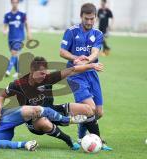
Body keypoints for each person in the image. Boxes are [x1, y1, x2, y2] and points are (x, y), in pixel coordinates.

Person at [0, 56, 104, 150]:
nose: (44, 76)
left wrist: (92, 66)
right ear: (32, 71)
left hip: (53, 110)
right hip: (35, 120)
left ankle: (98, 141)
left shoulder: (48, 78)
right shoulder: (18, 84)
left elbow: (72, 70)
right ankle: (68, 140)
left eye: (46, 73)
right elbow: (1, 95)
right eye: (41, 73)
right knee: (43, 122)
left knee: (88, 109)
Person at [60, 3, 112, 151]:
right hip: (75, 74)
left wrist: (86, 61)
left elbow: (95, 52)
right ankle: (96, 141)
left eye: (91, 19)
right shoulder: (71, 32)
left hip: (91, 72)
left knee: (98, 112)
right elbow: (62, 52)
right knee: (90, 108)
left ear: (95, 17)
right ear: (81, 17)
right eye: (86, 18)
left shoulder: (98, 34)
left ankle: (81, 133)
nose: (89, 22)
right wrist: (76, 58)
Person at [3, 0, 31, 78]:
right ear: (11, 3)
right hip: (10, 38)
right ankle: (18, 72)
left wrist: (29, 33)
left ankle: (8, 70)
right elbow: (5, 25)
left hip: (19, 38)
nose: (15, 4)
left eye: (16, 2)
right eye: (13, 2)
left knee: (14, 53)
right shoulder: (7, 15)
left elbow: (27, 24)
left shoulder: (22, 14)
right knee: (14, 55)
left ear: (18, 3)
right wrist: (4, 31)